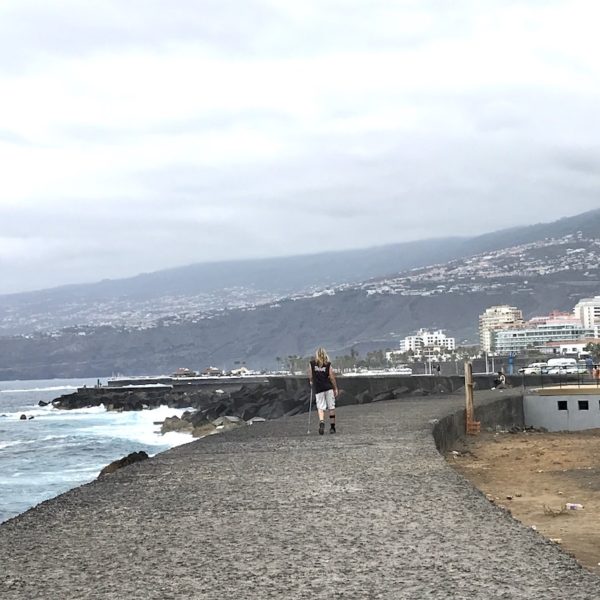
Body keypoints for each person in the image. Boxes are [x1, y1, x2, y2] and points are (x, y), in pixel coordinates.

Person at [308, 347, 339, 435]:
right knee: (331, 407)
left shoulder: (312, 364)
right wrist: (335, 388)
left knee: (321, 407)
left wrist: (311, 381)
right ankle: (332, 427)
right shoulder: (328, 364)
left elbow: (310, 375)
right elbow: (332, 377)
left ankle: (322, 422)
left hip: (319, 389)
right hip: (328, 388)